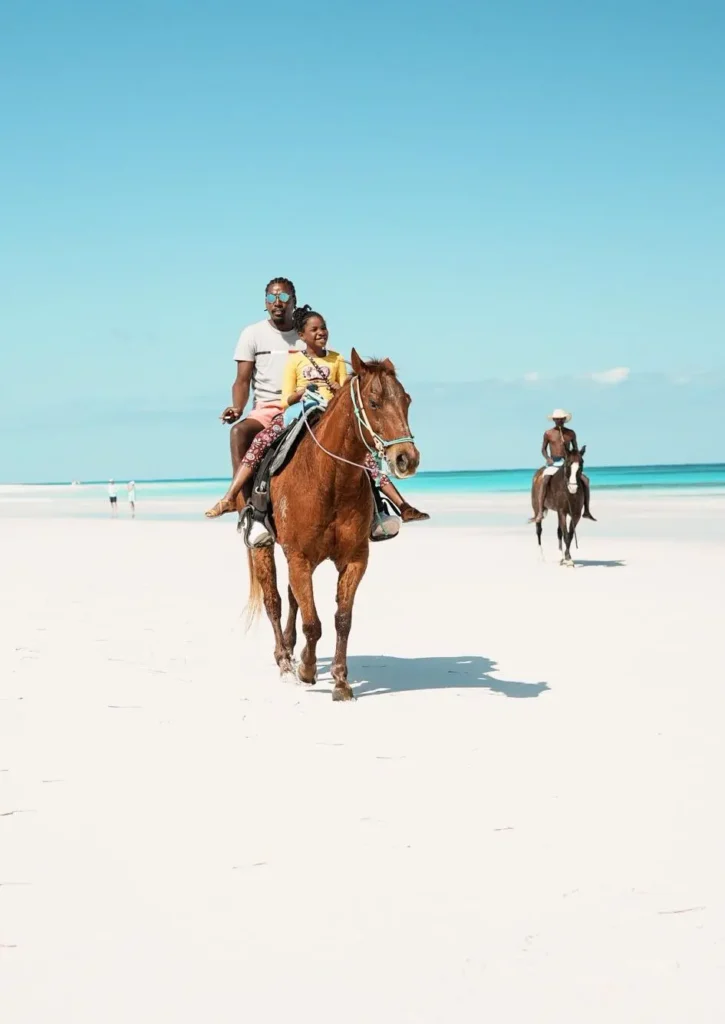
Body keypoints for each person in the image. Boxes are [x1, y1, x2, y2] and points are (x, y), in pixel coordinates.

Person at [206, 305, 428, 544]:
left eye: (323, 328)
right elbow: (285, 398)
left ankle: (392, 508)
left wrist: (337, 390)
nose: (321, 332)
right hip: (302, 409)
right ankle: (235, 499)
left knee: (365, 458)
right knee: (262, 441)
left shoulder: (335, 359)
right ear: (302, 336)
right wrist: (301, 393)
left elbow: (348, 393)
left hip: (329, 412)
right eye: (314, 329)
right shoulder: (295, 361)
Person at [220, 278, 303, 522]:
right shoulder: (252, 333)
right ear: (265, 303)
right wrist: (237, 407)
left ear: (294, 301)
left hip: (301, 407)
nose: (277, 302)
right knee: (238, 433)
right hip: (265, 410)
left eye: (284, 297)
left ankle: (374, 509)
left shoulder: (304, 333)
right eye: (271, 298)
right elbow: (242, 380)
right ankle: (245, 506)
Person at [529, 409, 596, 523]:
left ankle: (587, 511)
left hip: (567, 462)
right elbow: (543, 449)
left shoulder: (571, 433)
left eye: (561, 419)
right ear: (554, 420)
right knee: (545, 480)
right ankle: (540, 511)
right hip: (554, 463)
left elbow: (575, 449)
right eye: (557, 419)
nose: (559, 421)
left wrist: (576, 456)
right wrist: (548, 459)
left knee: (585, 480)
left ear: (565, 420)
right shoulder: (548, 433)